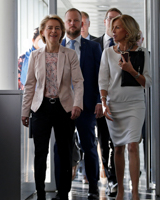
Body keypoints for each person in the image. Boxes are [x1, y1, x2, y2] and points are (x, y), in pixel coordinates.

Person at [21, 14, 84, 200]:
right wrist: (25, 111)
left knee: (65, 152)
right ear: (43, 32)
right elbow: (30, 85)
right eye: (50, 28)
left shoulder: (70, 54)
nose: (53, 31)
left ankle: (63, 193)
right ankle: (40, 193)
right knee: (40, 152)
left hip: (64, 108)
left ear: (61, 32)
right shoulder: (35, 55)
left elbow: (79, 82)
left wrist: (77, 104)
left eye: (57, 28)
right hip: (40, 108)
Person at [98, 14, 152, 200]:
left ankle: (135, 193)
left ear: (128, 31)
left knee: (132, 146)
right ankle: (120, 190)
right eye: (113, 28)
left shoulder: (143, 53)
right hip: (114, 105)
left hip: (135, 105)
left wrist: (131, 70)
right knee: (118, 148)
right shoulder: (107, 53)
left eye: (118, 28)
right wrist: (104, 104)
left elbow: (147, 82)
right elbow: (103, 81)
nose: (113, 31)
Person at [53, 8, 102, 200]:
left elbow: (100, 77)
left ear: (82, 24)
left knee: (88, 146)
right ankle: (61, 190)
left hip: (87, 107)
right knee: (60, 147)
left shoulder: (93, 48)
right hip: (62, 108)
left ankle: (93, 188)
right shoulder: (57, 47)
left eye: (76, 21)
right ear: (65, 24)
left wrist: (99, 100)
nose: (72, 24)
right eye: (69, 21)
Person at [92, 7, 122, 197]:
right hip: (99, 102)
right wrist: (98, 100)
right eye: (110, 19)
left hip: (120, 101)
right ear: (104, 21)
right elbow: (90, 76)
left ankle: (116, 179)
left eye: (117, 20)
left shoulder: (125, 46)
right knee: (104, 142)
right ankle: (110, 178)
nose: (112, 22)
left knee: (117, 142)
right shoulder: (93, 45)